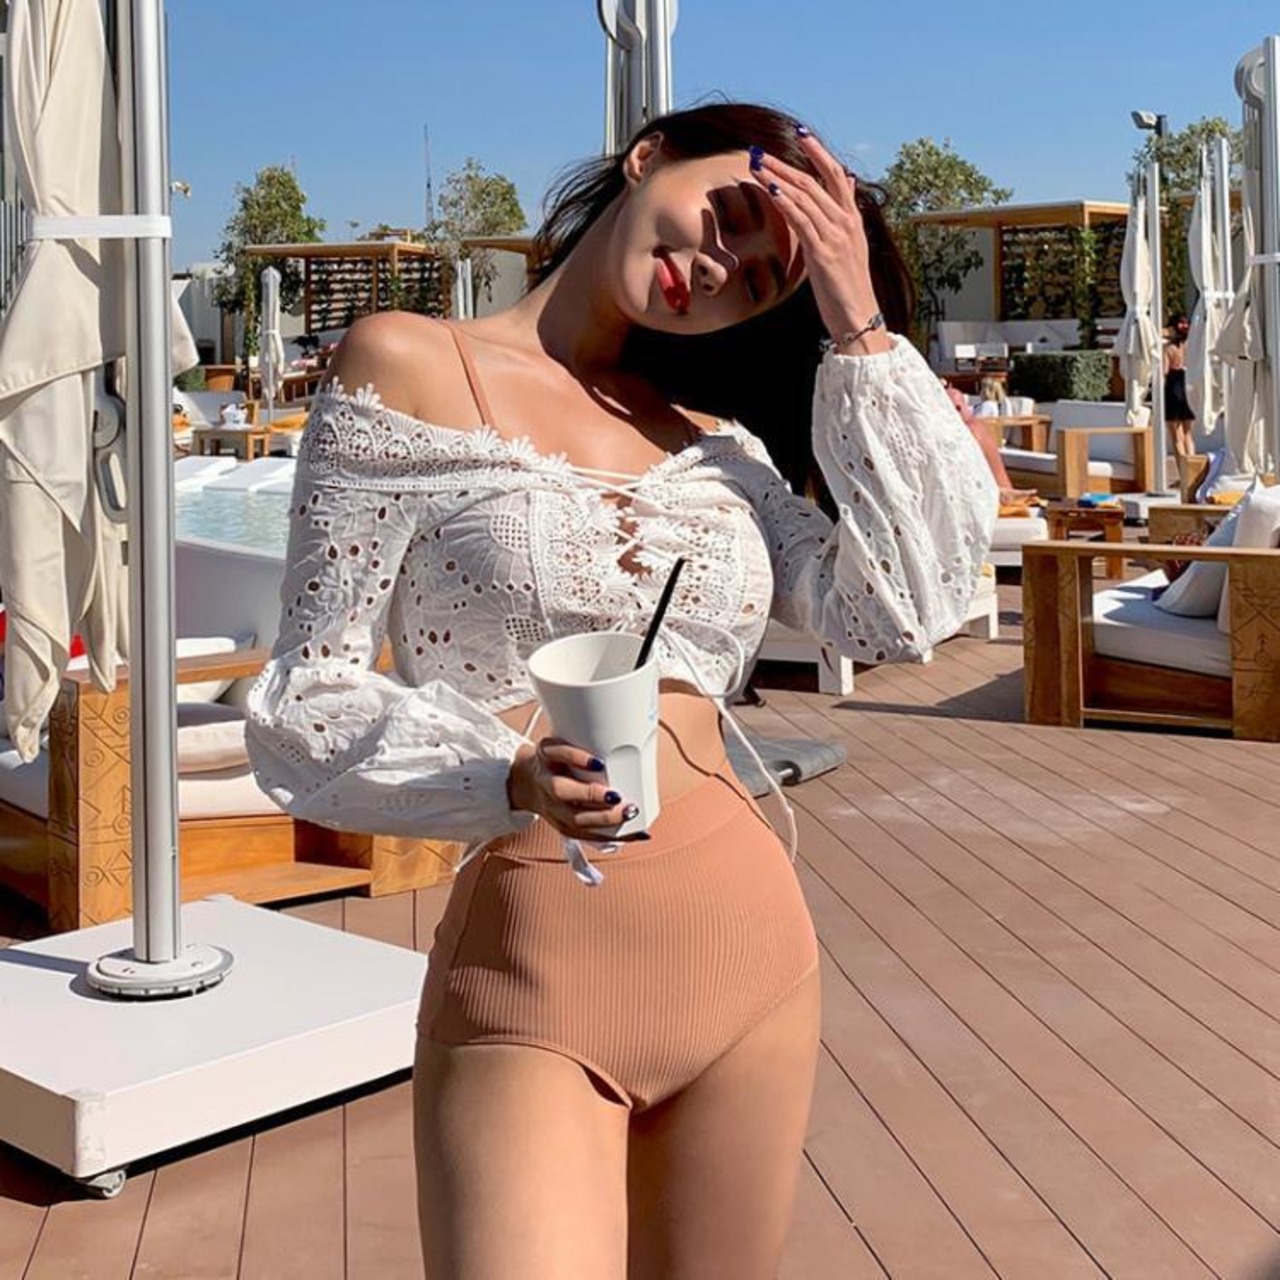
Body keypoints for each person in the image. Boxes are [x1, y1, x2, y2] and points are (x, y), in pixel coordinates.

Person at [245, 103, 996, 1279]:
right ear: (647, 156)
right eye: (729, 216)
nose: (720, 266)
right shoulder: (406, 364)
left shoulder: (719, 449)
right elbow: (308, 695)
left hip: (748, 949)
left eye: (763, 278)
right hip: (532, 961)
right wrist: (502, 772)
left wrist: (854, 317)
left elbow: (900, 607)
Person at [941, 378, 1038, 509]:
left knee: (973, 429)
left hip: (993, 435)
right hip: (987, 435)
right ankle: (999, 491)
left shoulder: (986, 408)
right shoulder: (988, 408)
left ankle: (999, 492)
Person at [1164, 313, 1195, 457]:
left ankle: (1182, 468)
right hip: (1187, 385)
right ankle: (1193, 468)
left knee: (1176, 436)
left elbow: (1164, 371)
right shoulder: (1190, 345)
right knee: (1188, 434)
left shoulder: (1168, 348)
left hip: (1173, 386)